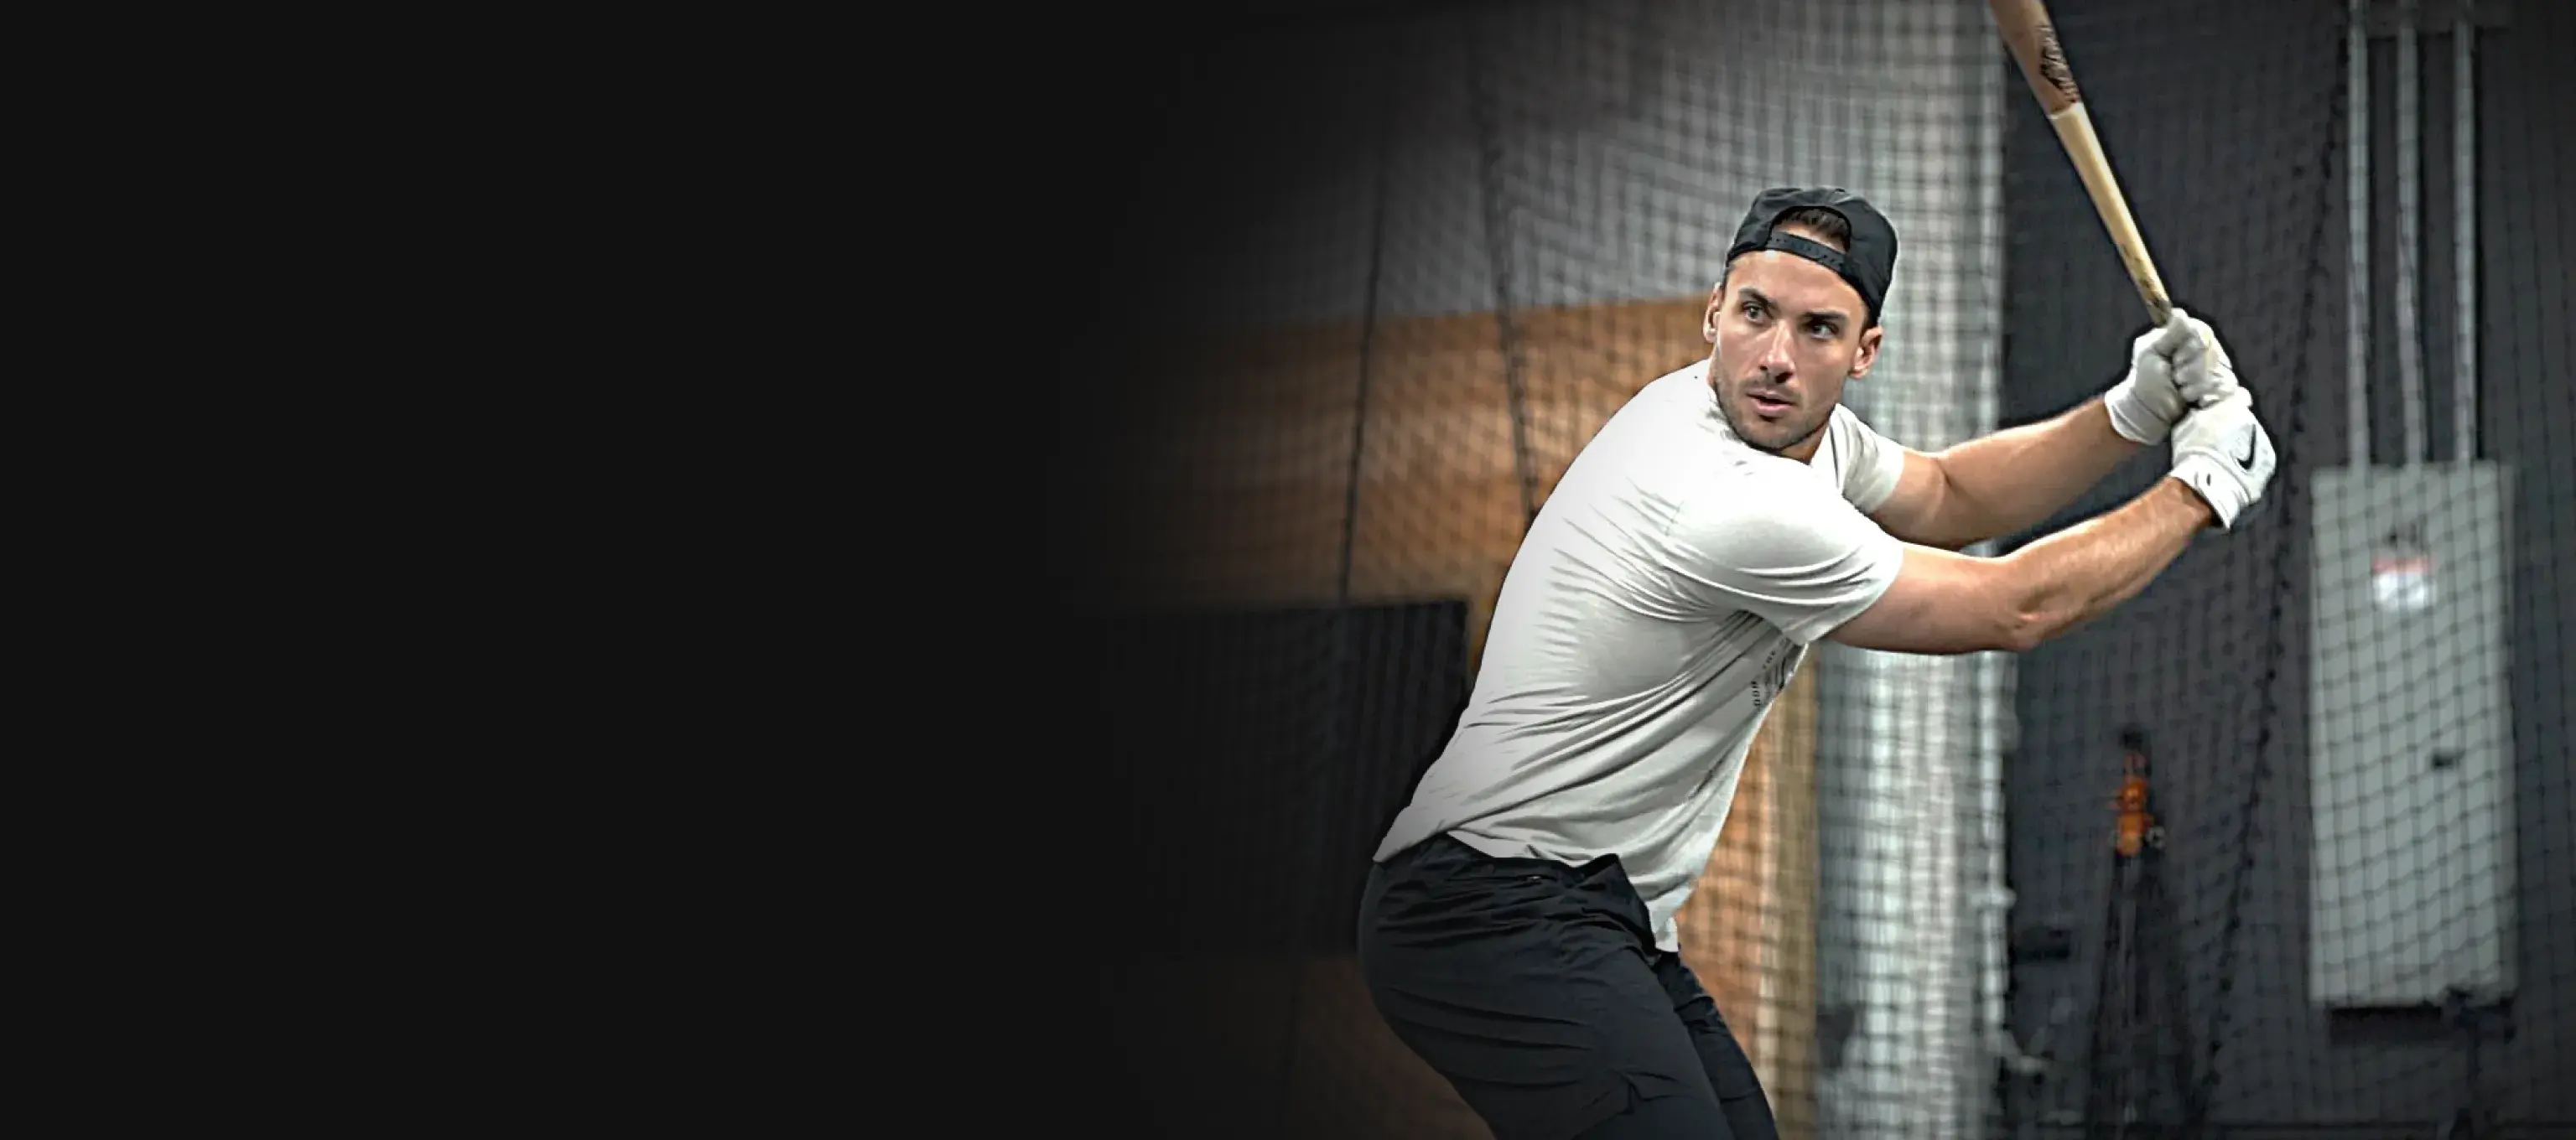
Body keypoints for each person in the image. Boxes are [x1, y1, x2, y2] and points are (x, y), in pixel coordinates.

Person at [1354, 186, 2276, 1140]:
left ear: (1864, 352)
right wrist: (2202, 487)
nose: (1775, 357)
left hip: (1597, 910)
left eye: (1818, 329)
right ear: (1713, 312)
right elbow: (2016, 606)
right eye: (1755, 313)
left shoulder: (1808, 439)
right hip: (1481, 906)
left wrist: (2132, 412)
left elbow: (1950, 493)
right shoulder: (1725, 493)